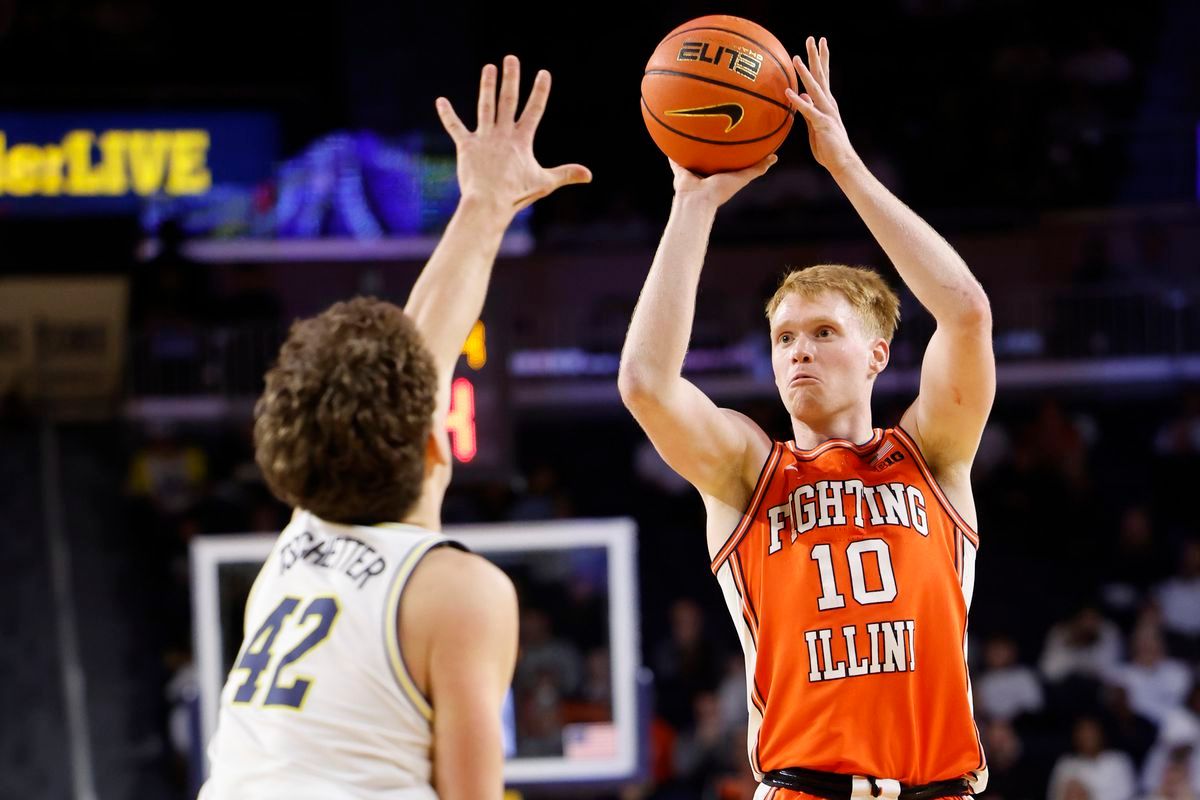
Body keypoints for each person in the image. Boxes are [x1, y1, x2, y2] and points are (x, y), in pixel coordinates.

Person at [199, 55, 590, 799]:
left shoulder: (297, 547)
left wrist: (483, 207)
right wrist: (481, 203)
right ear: (434, 444)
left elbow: (423, 347)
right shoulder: (459, 591)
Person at [618, 36, 994, 799]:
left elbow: (965, 315)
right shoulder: (748, 472)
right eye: (784, 337)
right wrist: (691, 205)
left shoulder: (934, 453)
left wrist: (845, 167)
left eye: (824, 333)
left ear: (878, 355)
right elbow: (647, 384)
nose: (799, 353)